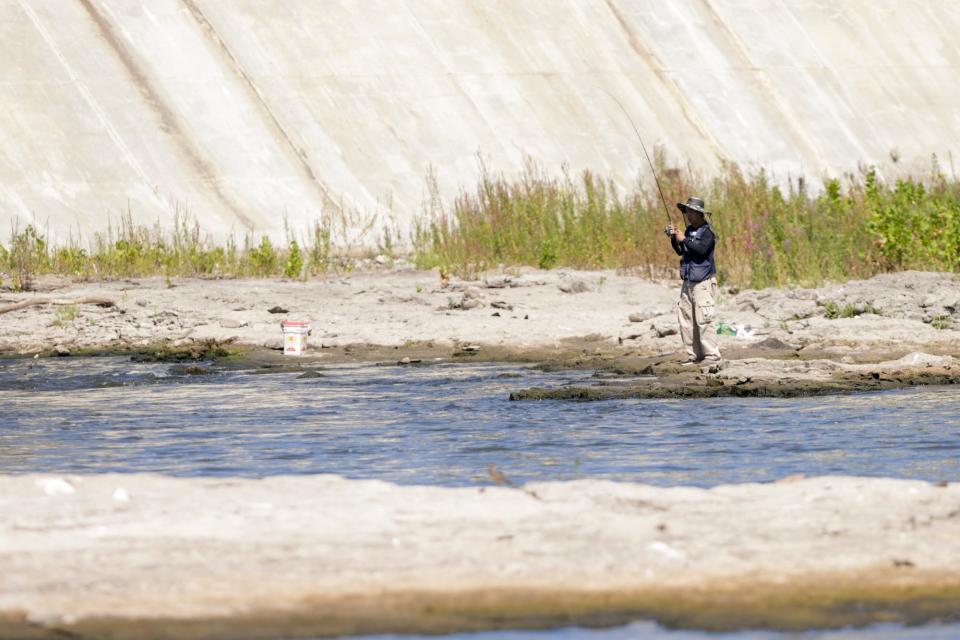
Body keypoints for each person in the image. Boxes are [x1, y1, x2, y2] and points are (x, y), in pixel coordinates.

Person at [665, 196, 721, 366]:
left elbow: (702, 250)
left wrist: (684, 239)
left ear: (699, 214)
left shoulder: (708, 232)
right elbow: (681, 251)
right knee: (686, 319)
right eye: (687, 212)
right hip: (688, 282)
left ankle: (711, 356)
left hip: (703, 282)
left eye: (691, 212)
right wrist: (674, 238)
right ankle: (694, 356)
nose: (688, 215)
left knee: (704, 319)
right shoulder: (689, 231)